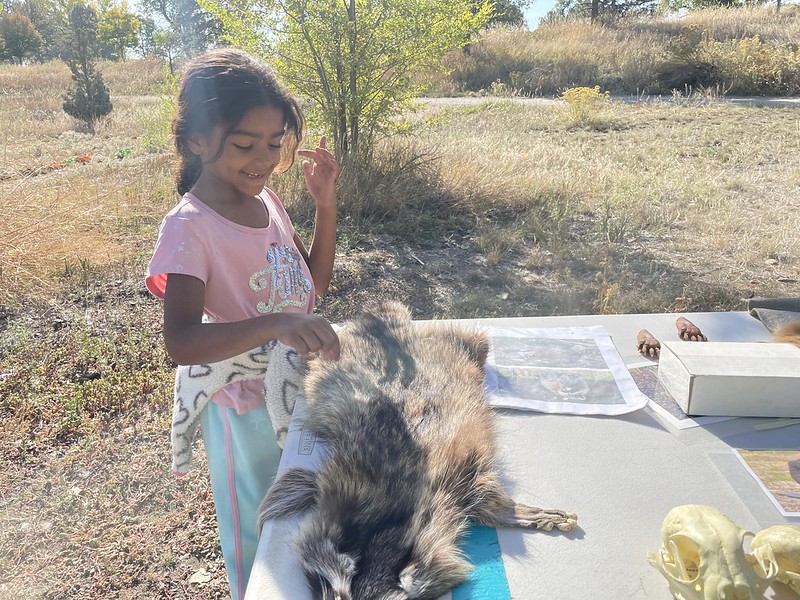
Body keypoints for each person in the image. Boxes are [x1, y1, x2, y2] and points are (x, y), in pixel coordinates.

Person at [145, 47, 340, 599]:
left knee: (303, 515)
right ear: (198, 141)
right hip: (243, 409)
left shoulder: (270, 201)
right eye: (245, 144)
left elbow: (313, 286)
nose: (264, 159)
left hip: (296, 394)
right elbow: (181, 342)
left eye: (275, 143)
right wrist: (276, 325)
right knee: (259, 534)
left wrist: (325, 206)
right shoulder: (190, 227)